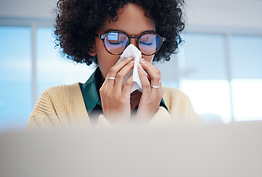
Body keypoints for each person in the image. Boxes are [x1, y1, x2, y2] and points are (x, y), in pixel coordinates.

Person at [28, 0, 201, 128]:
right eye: (116, 39)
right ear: (91, 44)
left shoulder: (179, 105)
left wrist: (152, 120)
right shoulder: (55, 105)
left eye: (147, 41)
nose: (134, 54)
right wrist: (115, 125)